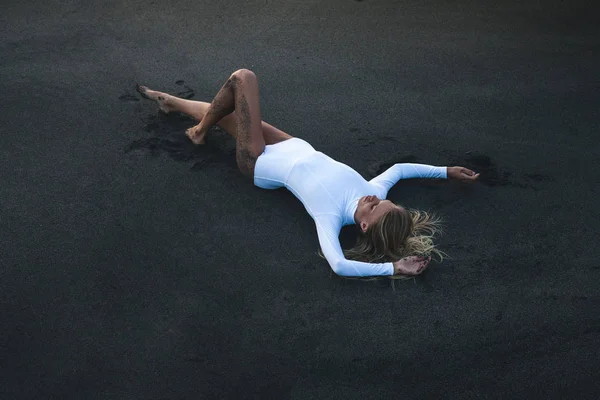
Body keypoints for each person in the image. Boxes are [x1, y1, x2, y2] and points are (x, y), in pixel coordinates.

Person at [136, 69, 479, 278]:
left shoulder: (328, 216)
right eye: (383, 201)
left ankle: (197, 132)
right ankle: (173, 104)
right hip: (292, 145)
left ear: (363, 225)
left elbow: (339, 265)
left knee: (243, 79)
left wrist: (394, 268)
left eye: (375, 207)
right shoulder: (371, 191)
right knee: (227, 115)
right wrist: (446, 171)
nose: (376, 198)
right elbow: (402, 169)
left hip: (258, 162)